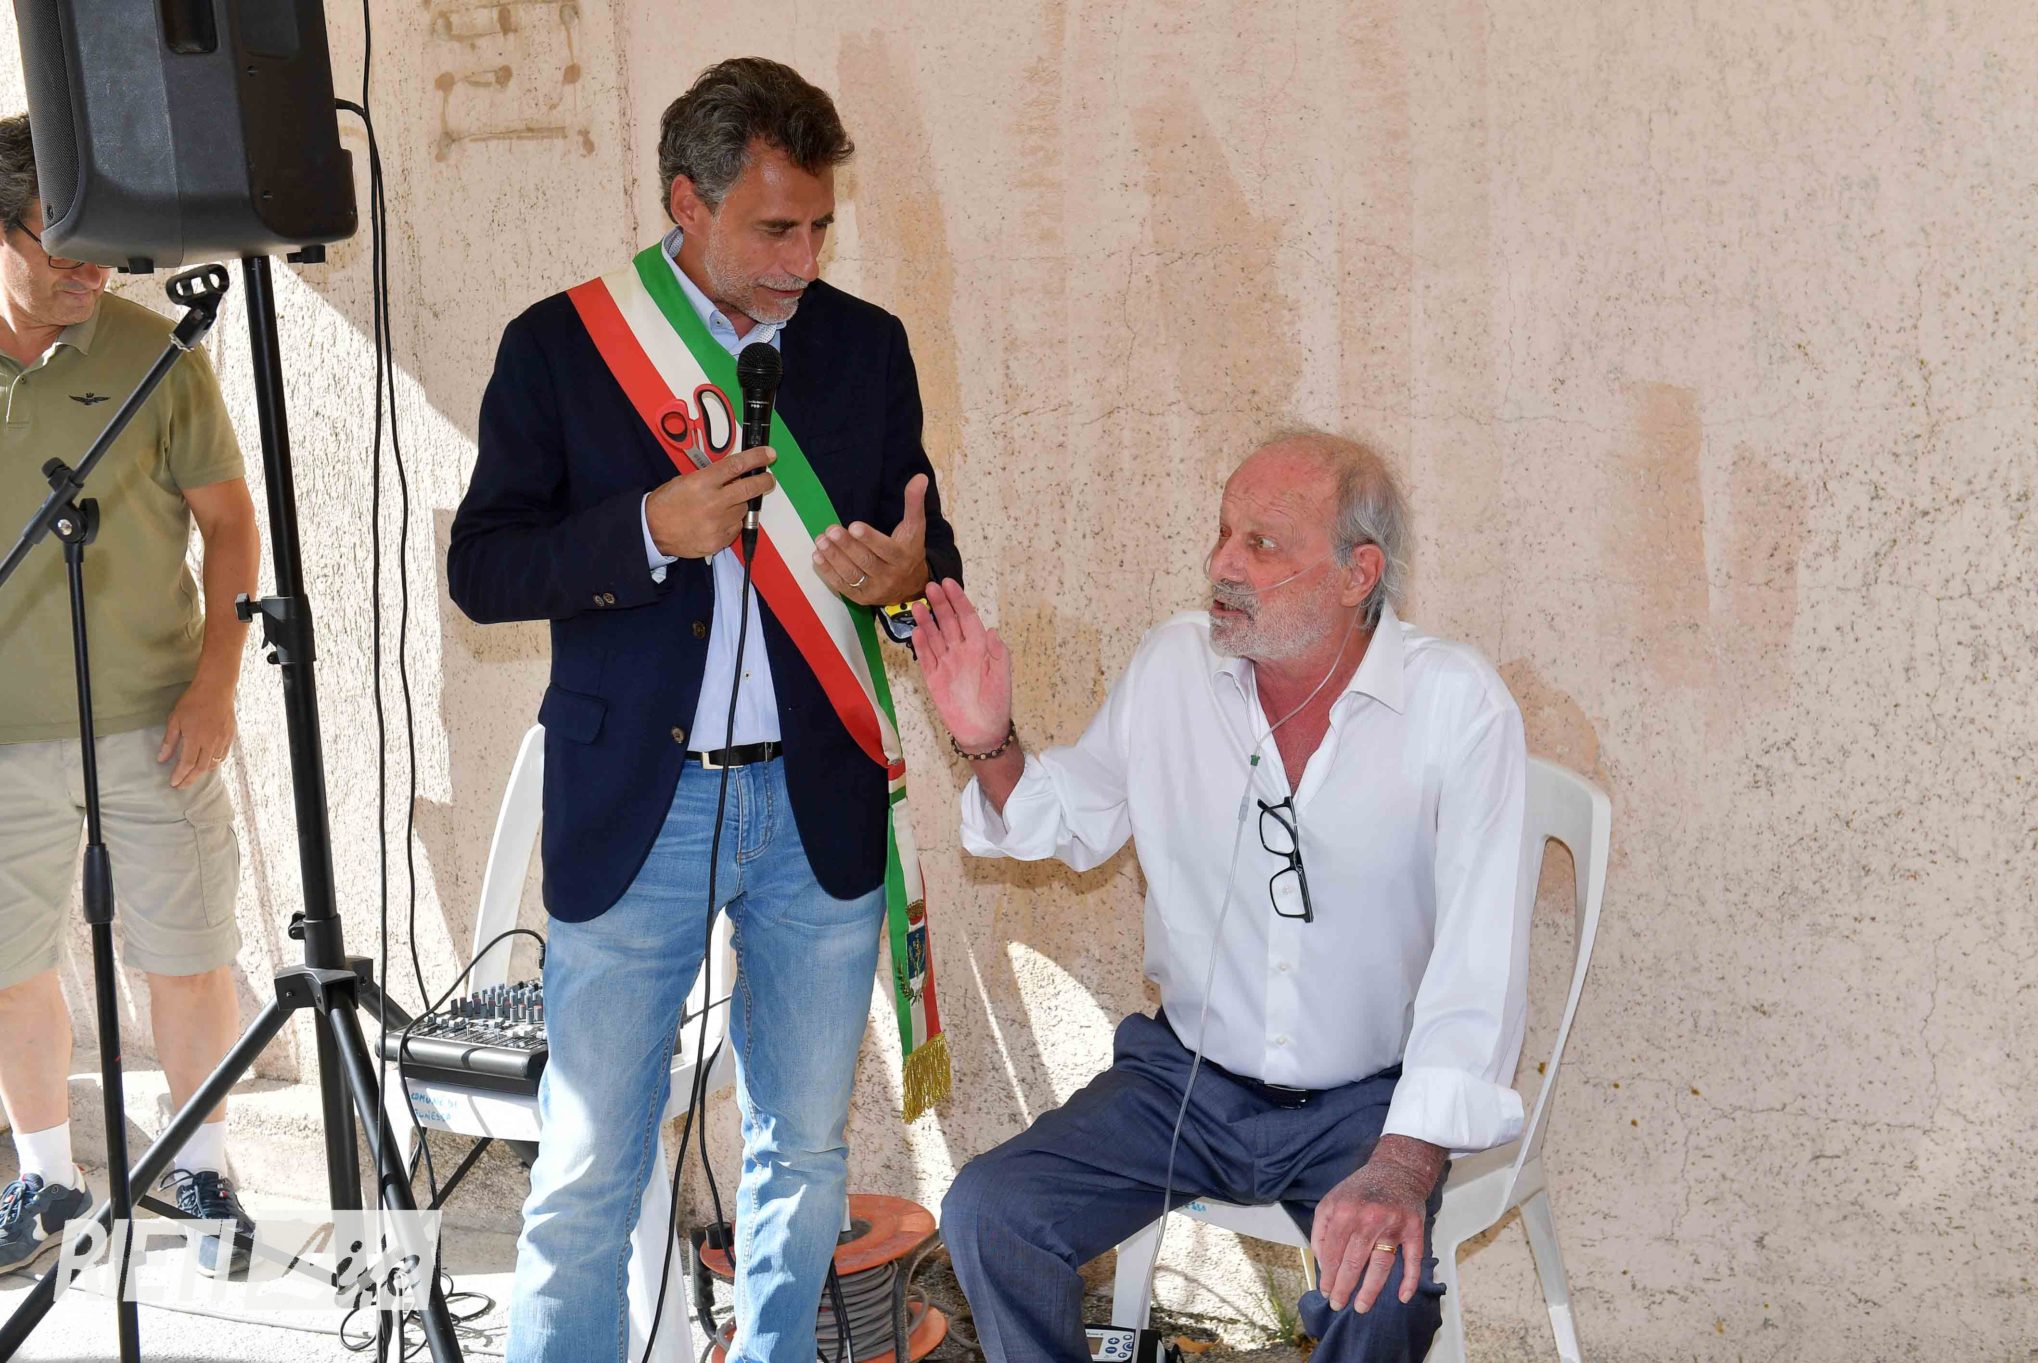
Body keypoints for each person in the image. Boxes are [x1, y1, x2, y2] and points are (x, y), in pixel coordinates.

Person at [449, 58, 961, 1363]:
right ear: (687, 201)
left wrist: (906, 584)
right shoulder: (563, 346)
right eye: (774, 228)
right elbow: (485, 567)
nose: (803, 259)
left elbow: (926, 556)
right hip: (641, 803)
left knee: (805, 1148)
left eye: (819, 227)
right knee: (587, 1167)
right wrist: (645, 530)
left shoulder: (864, 347)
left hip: (817, 800)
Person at [918, 432, 1531, 1362]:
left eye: (1262, 544)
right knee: (990, 1212)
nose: (1222, 564)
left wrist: (1404, 1164)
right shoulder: (1175, 666)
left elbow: (1478, 970)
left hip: (1366, 1103)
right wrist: (987, 737)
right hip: (1183, 1082)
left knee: (1383, 1292)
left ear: (1358, 573)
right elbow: (1066, 819)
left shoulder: (1457, 707)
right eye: (1223, 533)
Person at [0, 114, 260, 1276]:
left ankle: (200, 1165)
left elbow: (231, 524)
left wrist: (217, 683)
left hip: (159, 723)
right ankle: (47, 1179)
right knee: (7, 966)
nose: (90, 271)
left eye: (99, 246)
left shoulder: (160, 355)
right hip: (2, 738)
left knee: (186, 953)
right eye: (59, 244)